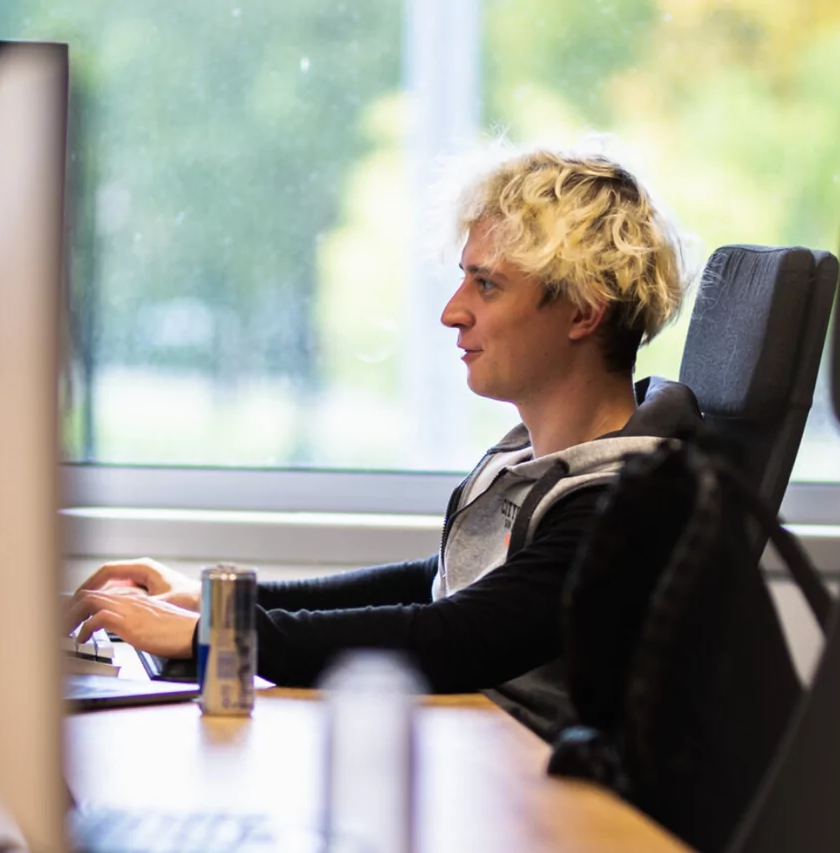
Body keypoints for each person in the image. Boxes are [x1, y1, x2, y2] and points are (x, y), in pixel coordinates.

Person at [68, 148, 702, 738]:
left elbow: (456, 637)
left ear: (584, 313)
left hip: (529, 800)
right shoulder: (529, 463)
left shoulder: (619, 501)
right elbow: (439, 585)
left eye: (487, 285)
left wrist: (219, 632)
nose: (453, 312)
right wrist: (219, 601)